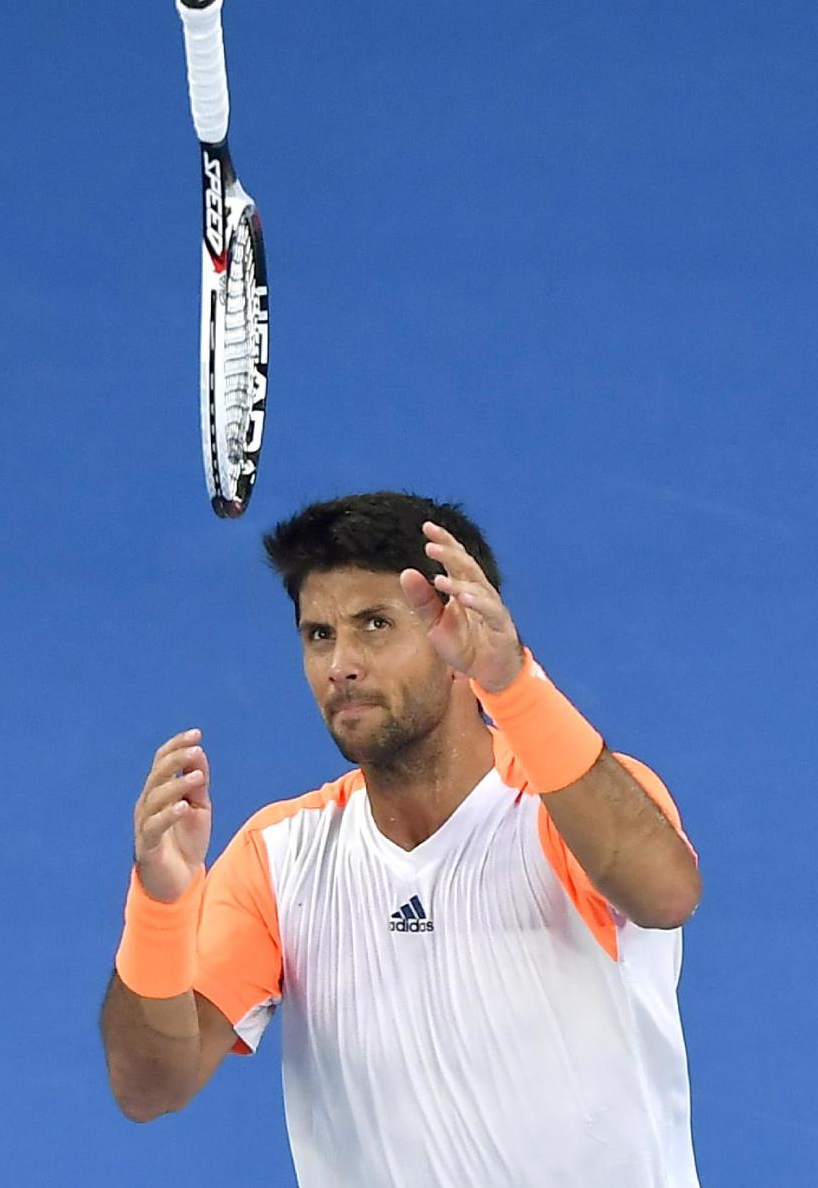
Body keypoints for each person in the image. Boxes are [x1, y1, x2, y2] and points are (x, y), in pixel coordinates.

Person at [100, 491, 702, 1188]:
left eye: (375, 624)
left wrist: (510, 683)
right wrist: (161, 905)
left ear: (457, 633)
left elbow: (666, 894)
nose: (340, 664)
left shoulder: (567, 803)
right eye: (319, 634)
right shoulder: (279, 858)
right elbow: (149, 1087)